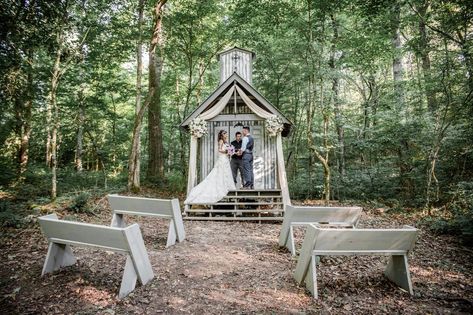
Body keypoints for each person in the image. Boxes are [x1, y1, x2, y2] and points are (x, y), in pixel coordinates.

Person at [185, 130, 236, 204]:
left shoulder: (226, 142)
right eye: (225, 134)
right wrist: (227, 151)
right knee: (221, 173)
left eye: (226, 134)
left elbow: (228, 150)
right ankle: (221, 187)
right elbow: (219, 150)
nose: (226, 135)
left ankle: (227, 186)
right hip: (222, 159)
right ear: (222, 135)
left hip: (226, 159)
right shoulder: (221, 141)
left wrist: (230, 151)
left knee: (226, 173)